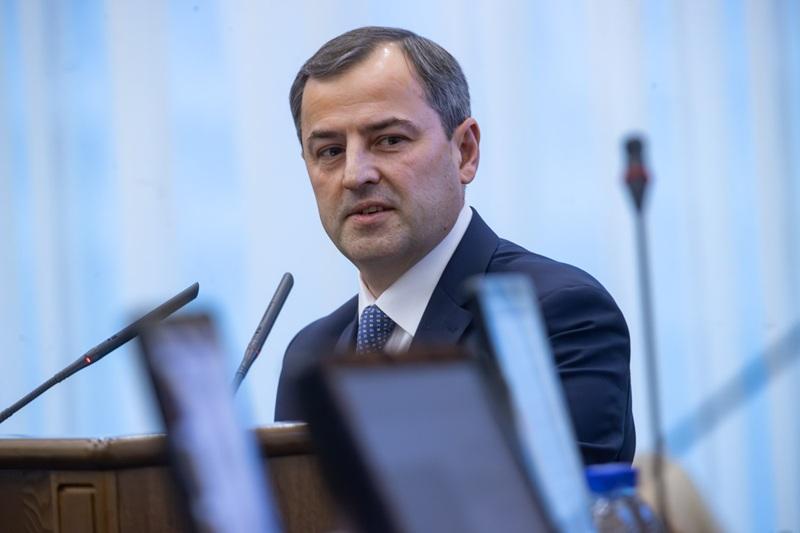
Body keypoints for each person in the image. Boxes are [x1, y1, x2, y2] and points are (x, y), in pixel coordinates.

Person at [275, 26, 635, 465]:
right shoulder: (311, 352)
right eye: (330, 151)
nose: (355, 175)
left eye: (389, 140)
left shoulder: (553, 315)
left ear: (464, 151)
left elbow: (554, 502)